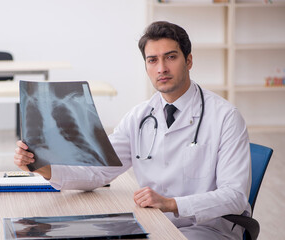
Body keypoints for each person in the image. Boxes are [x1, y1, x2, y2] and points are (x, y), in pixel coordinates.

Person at [14, 21, 251, 239]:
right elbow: (98, 172)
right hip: (154, 221)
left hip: (208, 227)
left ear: (188, 61)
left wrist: (173, 204)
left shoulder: (225, 117)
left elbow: (235, 196)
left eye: (170, 57)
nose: (161, 68)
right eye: (152, 60)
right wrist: (43, 167)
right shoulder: (140, 117)